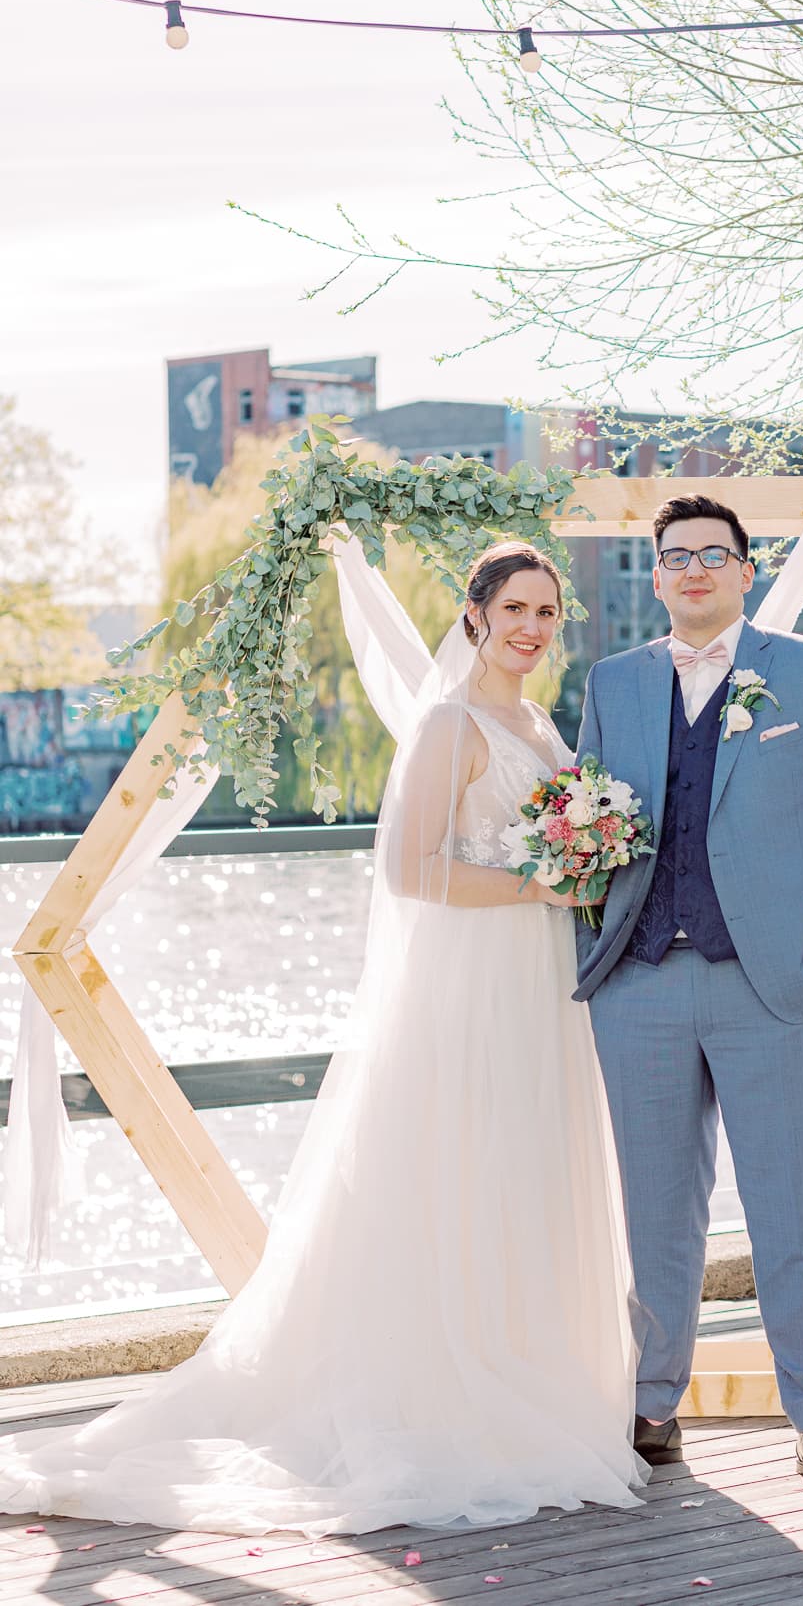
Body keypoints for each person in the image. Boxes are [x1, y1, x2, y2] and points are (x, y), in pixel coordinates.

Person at [0, 541, 647, 1536]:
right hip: (473, 985)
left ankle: (530, 1367)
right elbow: (409, 869)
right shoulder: (449, 723)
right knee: (459, 1171)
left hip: (538, 980)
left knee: (525, 1167)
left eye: (547, 613)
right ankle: (442, 1389)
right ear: (473, 615)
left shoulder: (539, 721)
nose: (532, 627)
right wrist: (544, 880)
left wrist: (583, 862)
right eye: (515, 608)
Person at [576, 492, 803, 1492]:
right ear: (659, 574)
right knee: (657, 1214)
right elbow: (588, 826)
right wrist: (592, 934)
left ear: (746, 571)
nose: (695, 571)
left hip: (779, 990)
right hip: (640, 986)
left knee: (789, 1212)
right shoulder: (612, 683)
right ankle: (651, 1404)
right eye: (676, 557)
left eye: (715, 554)